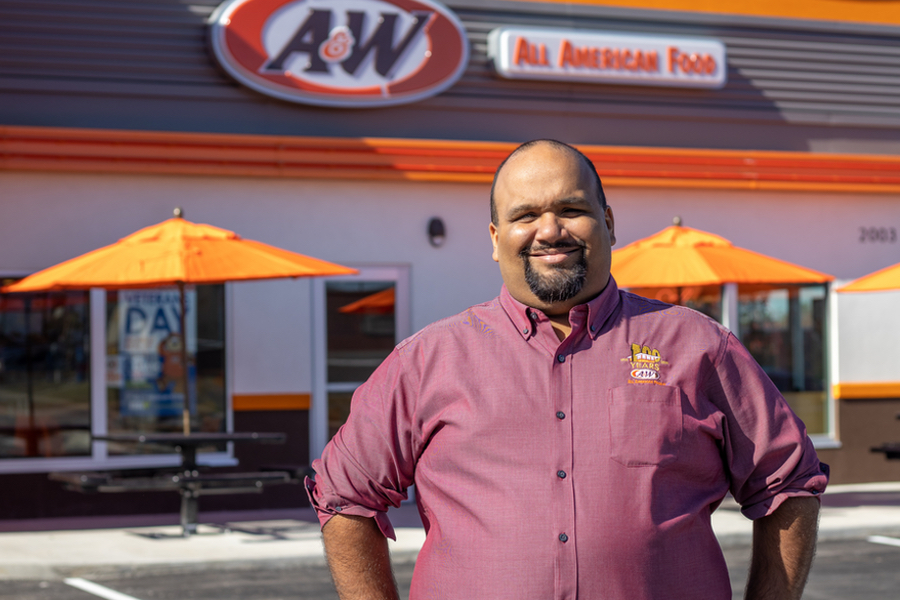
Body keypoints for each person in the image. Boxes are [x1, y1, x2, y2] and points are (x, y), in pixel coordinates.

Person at [306, 139, 828, 600]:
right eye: (525, 214)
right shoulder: (427, 361)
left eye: (571, 209)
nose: (549, 230)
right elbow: (345, 497)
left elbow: (789, 484)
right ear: (494, 237)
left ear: (609, 222)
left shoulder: (698, 346)